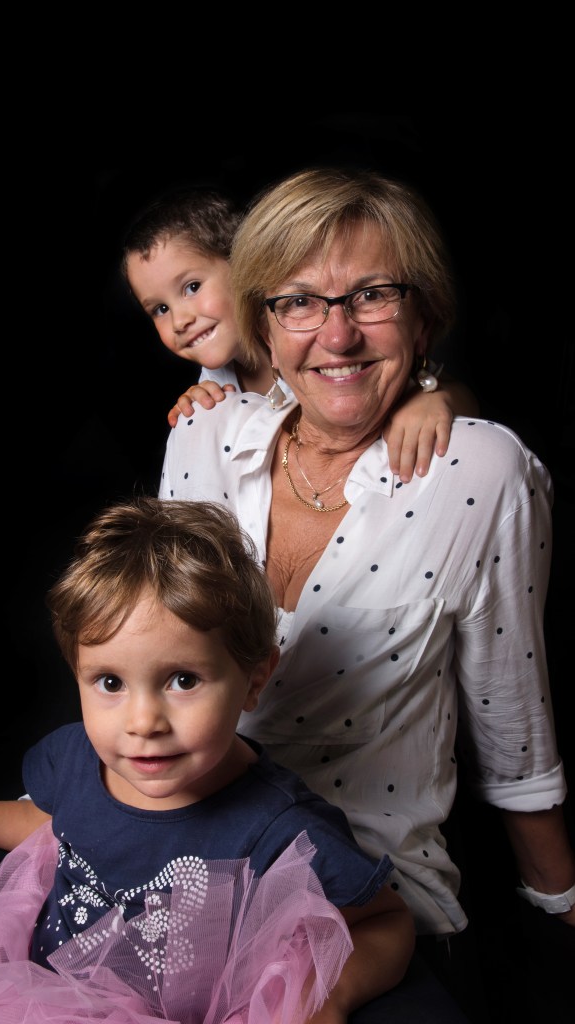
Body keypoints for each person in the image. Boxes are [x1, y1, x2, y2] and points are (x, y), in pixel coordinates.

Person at [158, 166, 575, 1020]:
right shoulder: (200, 436)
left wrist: (557, 901)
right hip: (175, 867)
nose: (338, 334)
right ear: (262, 324)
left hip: (369, 905)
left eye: (374, 295)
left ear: (425, 317)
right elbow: (149, 669)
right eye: (298, 302)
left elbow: (510, 712)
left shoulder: (480, 471)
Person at [0, 497, 417, 1024]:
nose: (143, 722)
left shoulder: (282, 828)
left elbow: (387, 922)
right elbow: (58, 828)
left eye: (183, 680)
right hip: (35, 992)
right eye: (110, 682)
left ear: (254, 679)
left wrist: (330, 1000)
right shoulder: (76, 757)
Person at [120, 184, 479, 484]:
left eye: (192, 287)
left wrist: (434, 399)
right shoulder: (211, 390)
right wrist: (196, 407)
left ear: (247, 267)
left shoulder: (317, 338)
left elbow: (445, 389)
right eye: (160, 309)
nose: (180, 320)